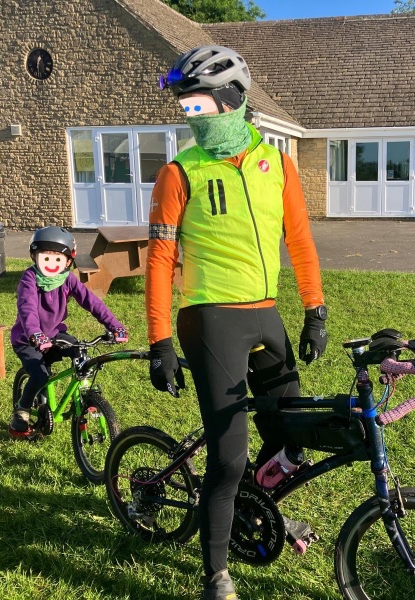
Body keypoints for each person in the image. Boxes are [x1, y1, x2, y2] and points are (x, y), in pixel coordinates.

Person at [147, 46, 328, 600]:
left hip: (265, 313)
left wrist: (315, 310)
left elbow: (299, 240)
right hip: (210, 319)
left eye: (200, 106)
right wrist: (159, 341)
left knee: (291, 437)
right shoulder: (179, 172)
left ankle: (254, 508)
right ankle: (216, 574)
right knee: (229, 458)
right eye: (187, 109)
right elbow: (160, 261)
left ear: (232, 99)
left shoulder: (279, 165)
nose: (193, 117)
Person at [9, 226, 128, 436]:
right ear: (34, 257)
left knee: (80, 353)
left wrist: (114, 325)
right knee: (39, 376)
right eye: (46, 258)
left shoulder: (67, 279)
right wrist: (35, 334)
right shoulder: (30, 278)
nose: (52, 263)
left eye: (58, 259)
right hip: (28, 339)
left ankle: (85, 394)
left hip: (55, 334)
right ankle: (22, 409)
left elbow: (91, 302)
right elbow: (28, 308)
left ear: (68, 261)